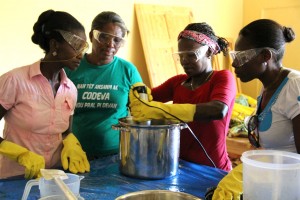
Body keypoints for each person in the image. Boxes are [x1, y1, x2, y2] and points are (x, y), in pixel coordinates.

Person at [206, 19, 299, 200]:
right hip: (274, 184)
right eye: (235, 57)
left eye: (241, 57)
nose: (234, 64)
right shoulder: (267, 86)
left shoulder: (295, 87)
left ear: (265, 55)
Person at [130, 22, 237, 171]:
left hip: (212, 169)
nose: (184, 61)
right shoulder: (177, 82)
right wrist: (137, 90)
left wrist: (162, 110)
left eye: (191, 55)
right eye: (181, 56)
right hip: (179, 166)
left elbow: (218, 110)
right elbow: (146, 101)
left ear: (209, 52)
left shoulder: (222, 78)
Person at [0, 10, 90, 179]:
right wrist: (20, 154)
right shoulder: (14, 81)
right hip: (15, 179)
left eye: (84, 47)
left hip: (54, 177)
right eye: (77, 45)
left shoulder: (70, 89)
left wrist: (71, 141)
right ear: (55, 45)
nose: (81, 55)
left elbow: (65, 131)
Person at [65, 11, 143, 159]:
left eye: (117, 40)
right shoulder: (72, 67)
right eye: (104, 37)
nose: (110, 44)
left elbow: (141, 110)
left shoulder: (128, 71)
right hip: (74, 153)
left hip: (116, 155)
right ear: (91, 36)